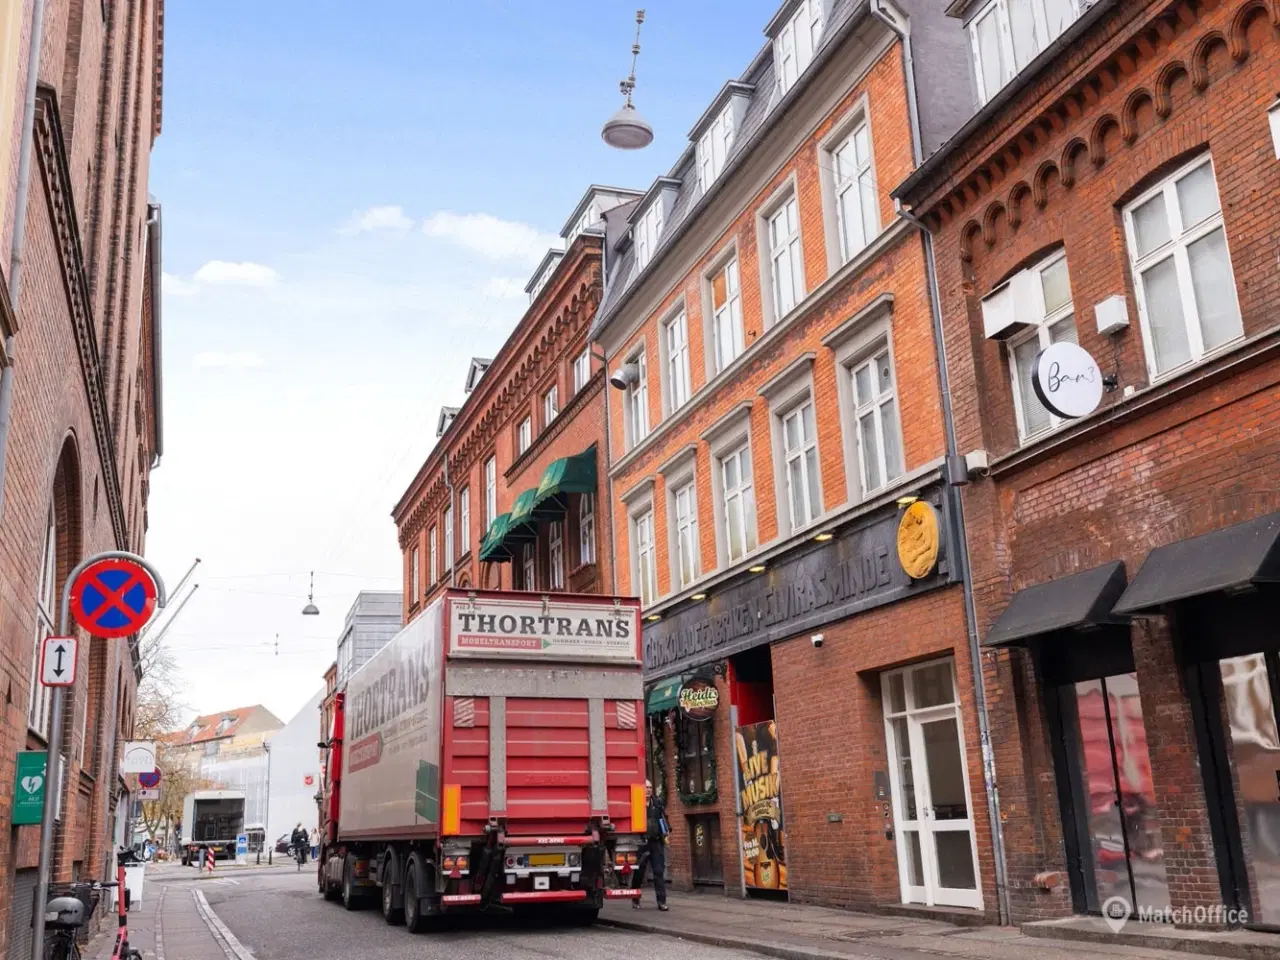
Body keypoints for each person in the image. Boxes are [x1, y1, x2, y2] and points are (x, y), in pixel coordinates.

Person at [632, 779, 669, 911]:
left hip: (656, 842)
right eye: (646, 788)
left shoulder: (657, 803)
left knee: (658, 871)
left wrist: (666, 831)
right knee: (639, 872)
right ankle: (635, 897)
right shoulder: (637, 804)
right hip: (642, 843)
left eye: (650, 787)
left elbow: (663, 819)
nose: (648, 790)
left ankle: (662, 902)